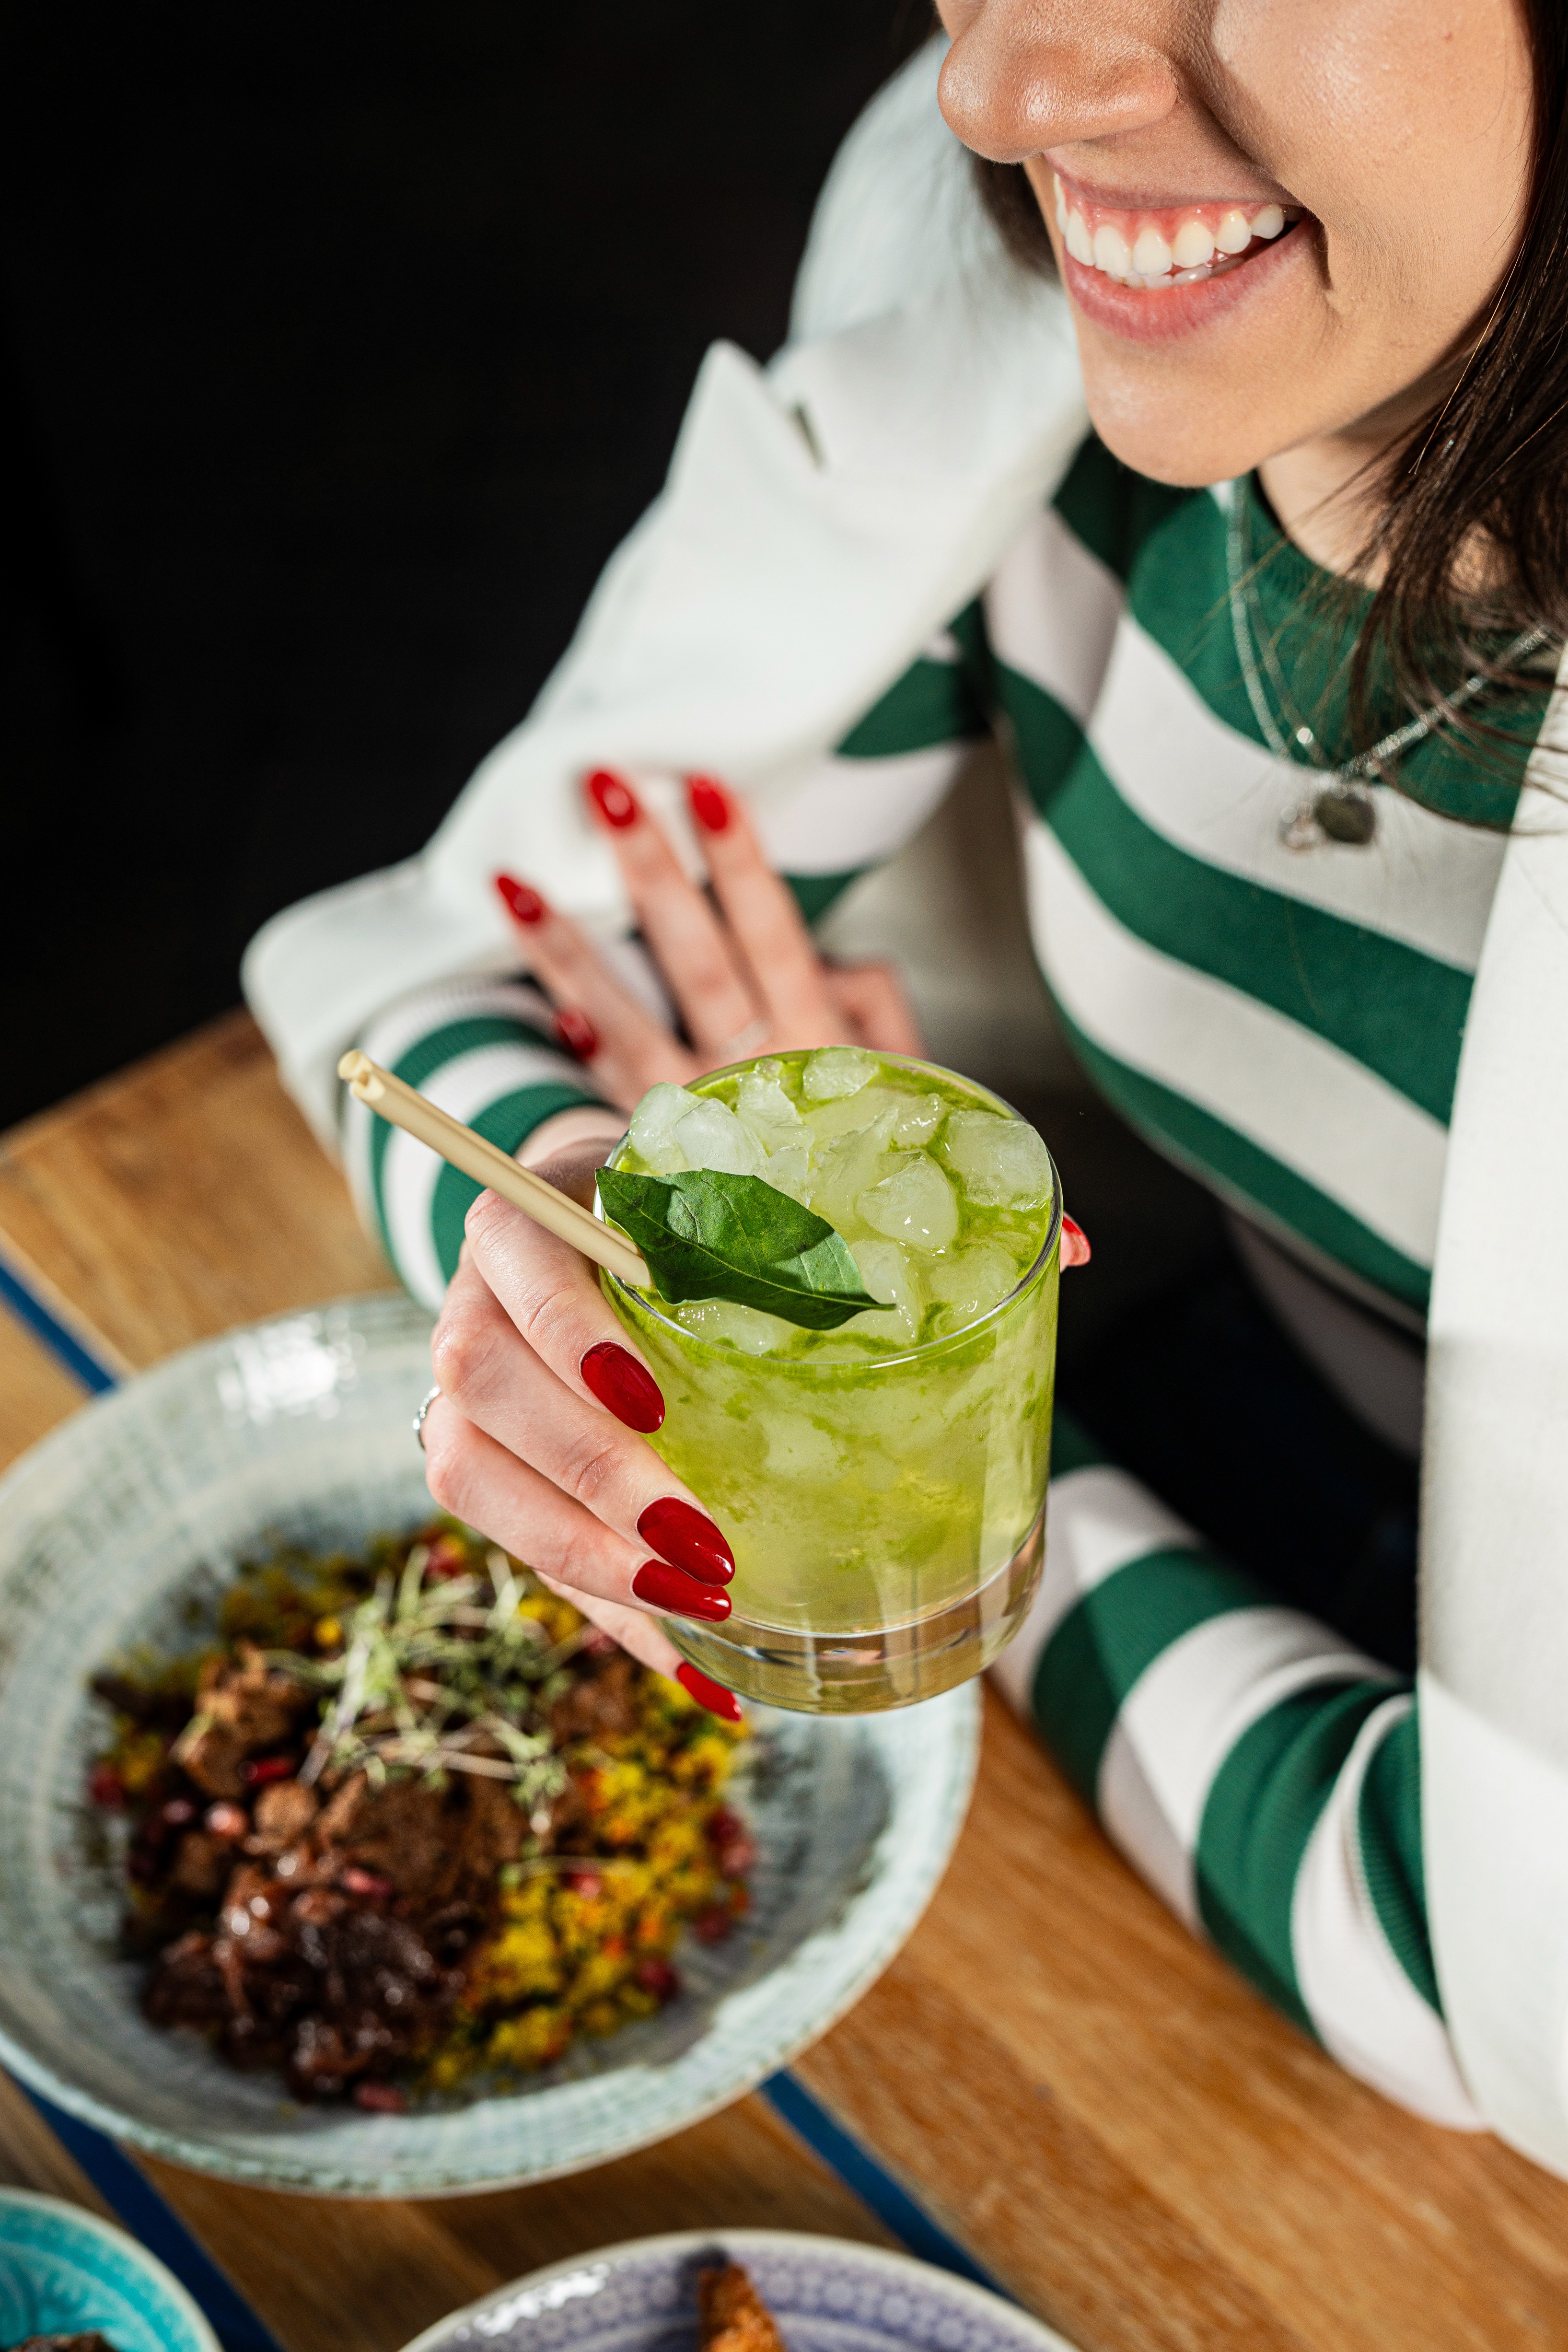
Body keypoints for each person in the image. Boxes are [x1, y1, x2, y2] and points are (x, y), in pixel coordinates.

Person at [244, 2, 1568, 2173]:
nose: (1005, 86)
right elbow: (437, 959)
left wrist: (905, 1467)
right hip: (1238, 1479)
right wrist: (605, 1221)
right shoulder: (1092, 311)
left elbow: (1491, 1996)